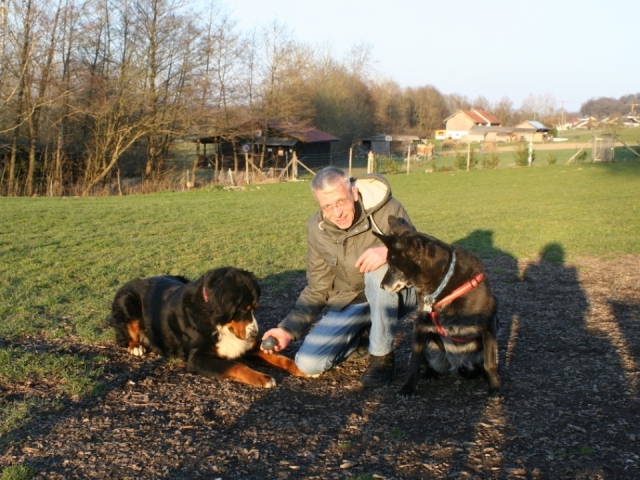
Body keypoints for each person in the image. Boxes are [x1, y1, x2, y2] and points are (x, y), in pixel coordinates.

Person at [261, 166, 416, 387]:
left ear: (353, 193)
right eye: (327, 206)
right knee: (308, 363)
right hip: (353, 301)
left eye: (341, 202)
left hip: (399, 294)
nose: (337, 213)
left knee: (377, 269)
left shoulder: (388, 208)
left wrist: (390, 251)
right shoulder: (316, 228)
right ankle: (363, 337)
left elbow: (418, 250)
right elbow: (318, 287)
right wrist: (287, 329)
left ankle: (381, 358)